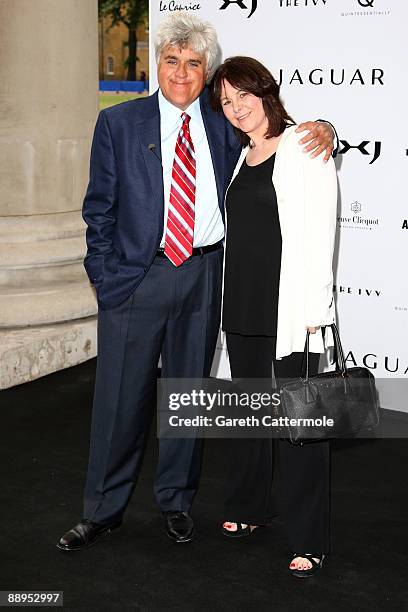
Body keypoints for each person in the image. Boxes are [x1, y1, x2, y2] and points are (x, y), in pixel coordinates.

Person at [57, 15, 335, 552]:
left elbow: (280, 136)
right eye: (171, 60)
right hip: (137, 280)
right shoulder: (119, 124)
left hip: (207, 276)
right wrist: (106, 277)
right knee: (120, 402)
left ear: (205, 72)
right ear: (155, 64)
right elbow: (98, 211)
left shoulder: (221, 122)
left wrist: (327, 127)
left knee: (187, 398)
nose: (182, 72)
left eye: (193, 64)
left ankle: (176, 501)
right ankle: (102, 511)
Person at [209, 56, 337, 577]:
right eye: (226, 103)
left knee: (300, 428)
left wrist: (316, 310)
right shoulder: (241, 157)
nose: (238, 109)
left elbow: (322, 232)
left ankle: (309, 537)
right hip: (242, 307)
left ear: (266, 91)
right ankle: (249, 508)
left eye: (244, 95)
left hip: (290, 312)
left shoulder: (306, 147)